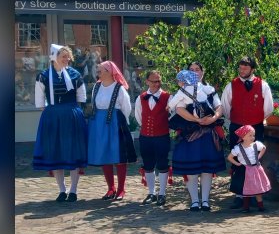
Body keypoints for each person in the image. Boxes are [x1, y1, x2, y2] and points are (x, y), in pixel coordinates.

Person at [33, 44, 88, 202]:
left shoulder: (75, 74)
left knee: (73, 151)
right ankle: (62, 189)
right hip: (52, 117)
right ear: (54, 57)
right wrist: (53, 114)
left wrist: (70, 112)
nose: (67, 59)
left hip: (71, 116)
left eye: (67, 56)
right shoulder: (43, 76)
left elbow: (81, 97)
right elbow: (40, 102)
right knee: (55, 151)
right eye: (63, 56)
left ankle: (74, 190)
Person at [169, 69, 226, 212]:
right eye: (192, 70)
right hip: (190, 134)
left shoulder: (209, 90)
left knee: (207, 170)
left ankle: (205, 201)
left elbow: (219, 107)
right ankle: (195, 201)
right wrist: (196, 119)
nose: (195, 72)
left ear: (202, 72)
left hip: (208, 133)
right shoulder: (183, 91)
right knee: (191, 170)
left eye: (197, 69)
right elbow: (179, 109)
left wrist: (212, 118)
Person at [221, 57, 274, 209]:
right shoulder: (231, 85)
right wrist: (238, 122)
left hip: (256, 128)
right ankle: (239, 195)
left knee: (255, 161)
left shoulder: (263, 85)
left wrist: (256, 120)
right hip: (237, 127)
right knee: (238, 160)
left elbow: (268, 107)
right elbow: (225, 107)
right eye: (240, 68)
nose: (242, 70)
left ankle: (255, 194)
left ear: (252, 69)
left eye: (245, 68)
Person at [87, 61, 137, 201]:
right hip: (99, 124)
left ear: (109, 72)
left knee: (119, 156)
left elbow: (126, 108)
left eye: (100, 71)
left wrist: (123, 125)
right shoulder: (96, 87)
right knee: (104, 155)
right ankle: (111, 188)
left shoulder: (119, 88)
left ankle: (121, 189)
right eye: (98, 71)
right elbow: (94, 105)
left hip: (115, 124)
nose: (98, 73)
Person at [134, 70, 171, 207]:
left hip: (162, 136)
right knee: (148, 165)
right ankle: (151, 193)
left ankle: (162, 193)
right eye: (153, 81)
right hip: (146, 137)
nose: (156, 84)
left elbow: (171, 117)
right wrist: (146, 129)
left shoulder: (168, 97)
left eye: (158, 81)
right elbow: (139, 116)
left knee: (162, 164)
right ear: (147, 82)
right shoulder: (141, 98)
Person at [226, 125, 271, 213]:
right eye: (250, 135)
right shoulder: (238, 148)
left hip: (256, 169)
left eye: (253, 135)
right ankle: (246, 207)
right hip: (244, 170)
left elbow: (263, 148)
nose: (252, 137)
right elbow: (230, 157)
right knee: (246, 189)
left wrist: (258, 157)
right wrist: (237, 163)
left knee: (258, 188)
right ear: (243, 137)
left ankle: (260, 206)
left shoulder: (256, 144)